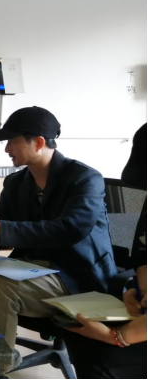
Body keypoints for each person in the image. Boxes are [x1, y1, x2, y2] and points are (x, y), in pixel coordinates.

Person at [0, 106, 117, 355]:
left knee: (1, 289)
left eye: (12, 141)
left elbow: (71, 229)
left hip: (76, 274)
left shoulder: (84, 178)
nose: (7, 149)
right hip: (30, 267)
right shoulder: (16, 182)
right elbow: (0, 226)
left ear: (39, 142)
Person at [63, 123, 147, 379]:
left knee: (101, 357)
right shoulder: (134, 197)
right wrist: (136, 289)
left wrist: (116, 336)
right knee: (80, 337)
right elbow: (134, 258)